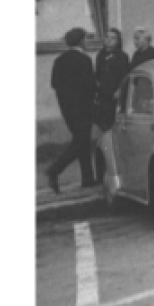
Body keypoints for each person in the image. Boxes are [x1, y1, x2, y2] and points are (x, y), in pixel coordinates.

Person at [45, 28, 97, 192]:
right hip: (83, 107)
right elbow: (89, 86)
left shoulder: (59, 60)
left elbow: (54, 83)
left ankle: (87, 178)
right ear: (81, 41)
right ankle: (55, 169)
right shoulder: (84, 60)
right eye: (86, 39)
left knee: (81, 140)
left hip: (67, 109)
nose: (87, 42)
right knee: (82, 141)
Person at [93, 28, 130, 133]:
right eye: (107, 37)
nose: (109, 40)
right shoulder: (101, 55)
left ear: (118, 41)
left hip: (114, 94)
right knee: (100, 119)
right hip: (103, 94)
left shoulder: (122, 56)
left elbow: (125, 76)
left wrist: (119, 90)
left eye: (113, 38)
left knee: (112, 121)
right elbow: (98, 74)